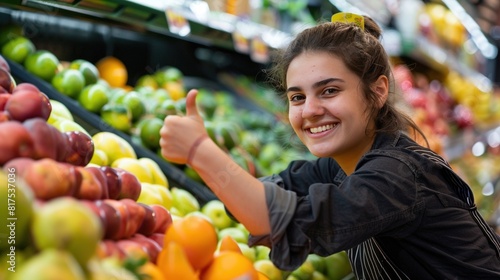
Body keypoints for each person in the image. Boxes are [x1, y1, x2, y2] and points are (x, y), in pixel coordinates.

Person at [159, 13, 500, 279]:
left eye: (329, 91)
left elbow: (283, 223)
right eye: (297, 96)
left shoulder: (395, 176)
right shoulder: (341, 164)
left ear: (378, 91)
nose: (309, 111)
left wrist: (200, 151)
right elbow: (260, 202)